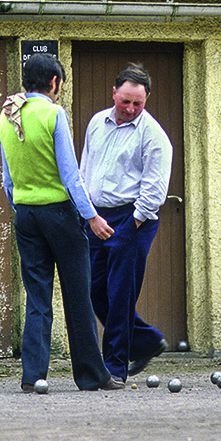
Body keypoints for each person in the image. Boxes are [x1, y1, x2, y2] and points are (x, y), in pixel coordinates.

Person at [0, 53, 123, 392]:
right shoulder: (54, 114)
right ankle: (91, 376)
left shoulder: (6, 115)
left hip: (26, 214)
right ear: (54, 82)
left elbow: (7, 179)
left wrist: (24, 208)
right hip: (61, 215)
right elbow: (70, 175)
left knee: (37, 297)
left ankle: (33, 375)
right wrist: (91, 216)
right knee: (77, 296)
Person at [79, 63, 173, 381]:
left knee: (121, 293)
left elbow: (154, 190)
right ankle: (146, 341)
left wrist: (129, 226)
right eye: (125, 101)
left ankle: (115, 367)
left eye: (138, 104)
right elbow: (85, 170)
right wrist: (87, 214)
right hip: (97, 217)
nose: (131, 109)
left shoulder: (154, 136)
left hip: (134, 219)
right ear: (114, 93)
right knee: (95, 291)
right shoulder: (96, 123)